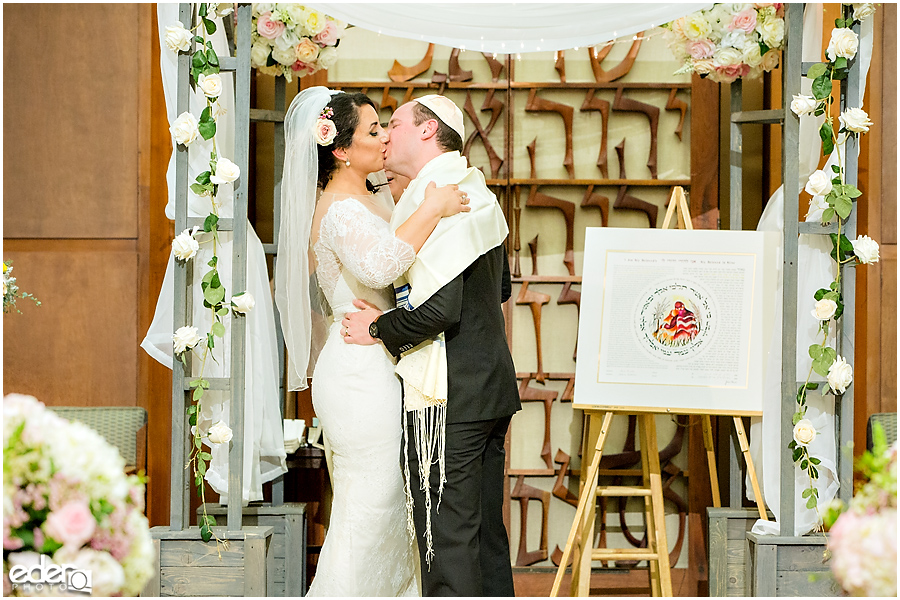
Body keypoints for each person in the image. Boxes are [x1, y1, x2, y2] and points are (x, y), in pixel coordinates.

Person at [274, 87, 470, 597]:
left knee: (392, 507)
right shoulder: (339, 209)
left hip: (381, 359)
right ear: (339, 149)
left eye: (386, 126)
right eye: (373, 130)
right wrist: (436, 205)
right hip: (359, 370)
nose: (385, 138)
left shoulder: (369, 197)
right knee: (372, 505)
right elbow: (382, 265)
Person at [343, 95, 521, 596]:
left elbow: (441, 310)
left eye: (394, 124)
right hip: (487, 382)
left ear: (428, 132)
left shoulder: (442, 195)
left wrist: (380, 329)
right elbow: (500, 288)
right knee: (484, 537)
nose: (386, 136)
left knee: (448, 542)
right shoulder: (475, 190)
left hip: (452, 392)